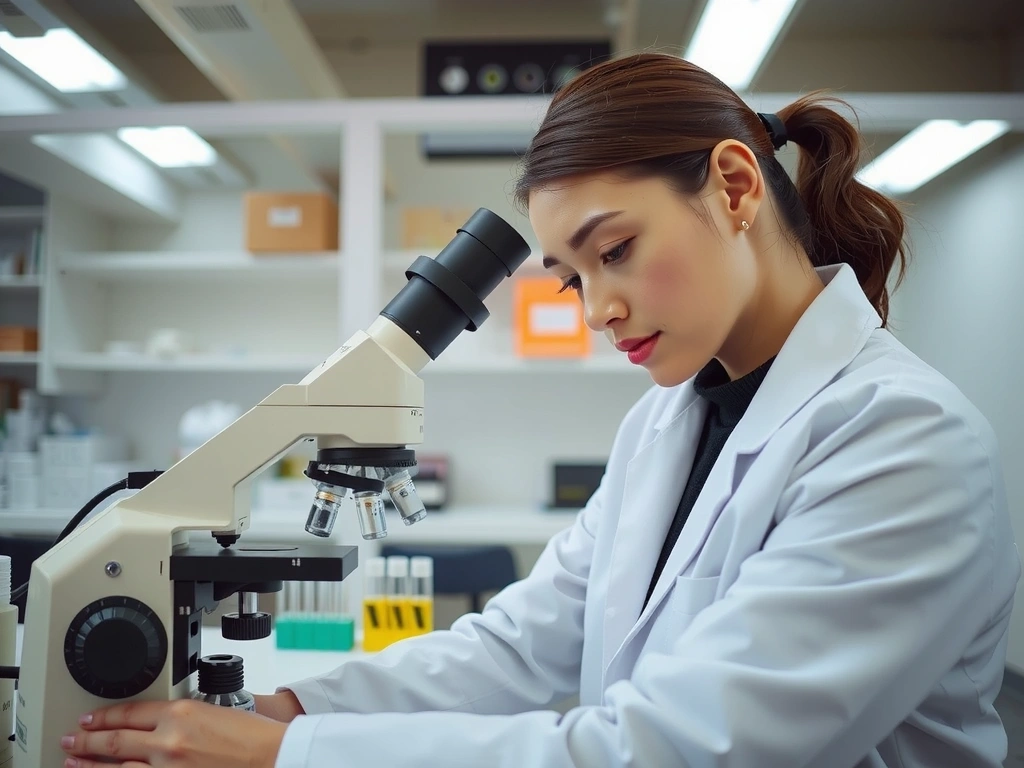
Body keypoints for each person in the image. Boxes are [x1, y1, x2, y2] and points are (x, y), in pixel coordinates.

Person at [60, 52, 1020, 768]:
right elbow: (522, 642)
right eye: (568, 278)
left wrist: (283, 759)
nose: (598, 308)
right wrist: (289, 708)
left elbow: (679, 750)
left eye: (616, 249)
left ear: (733, 186)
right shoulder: (664, 421)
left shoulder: (903, 441)